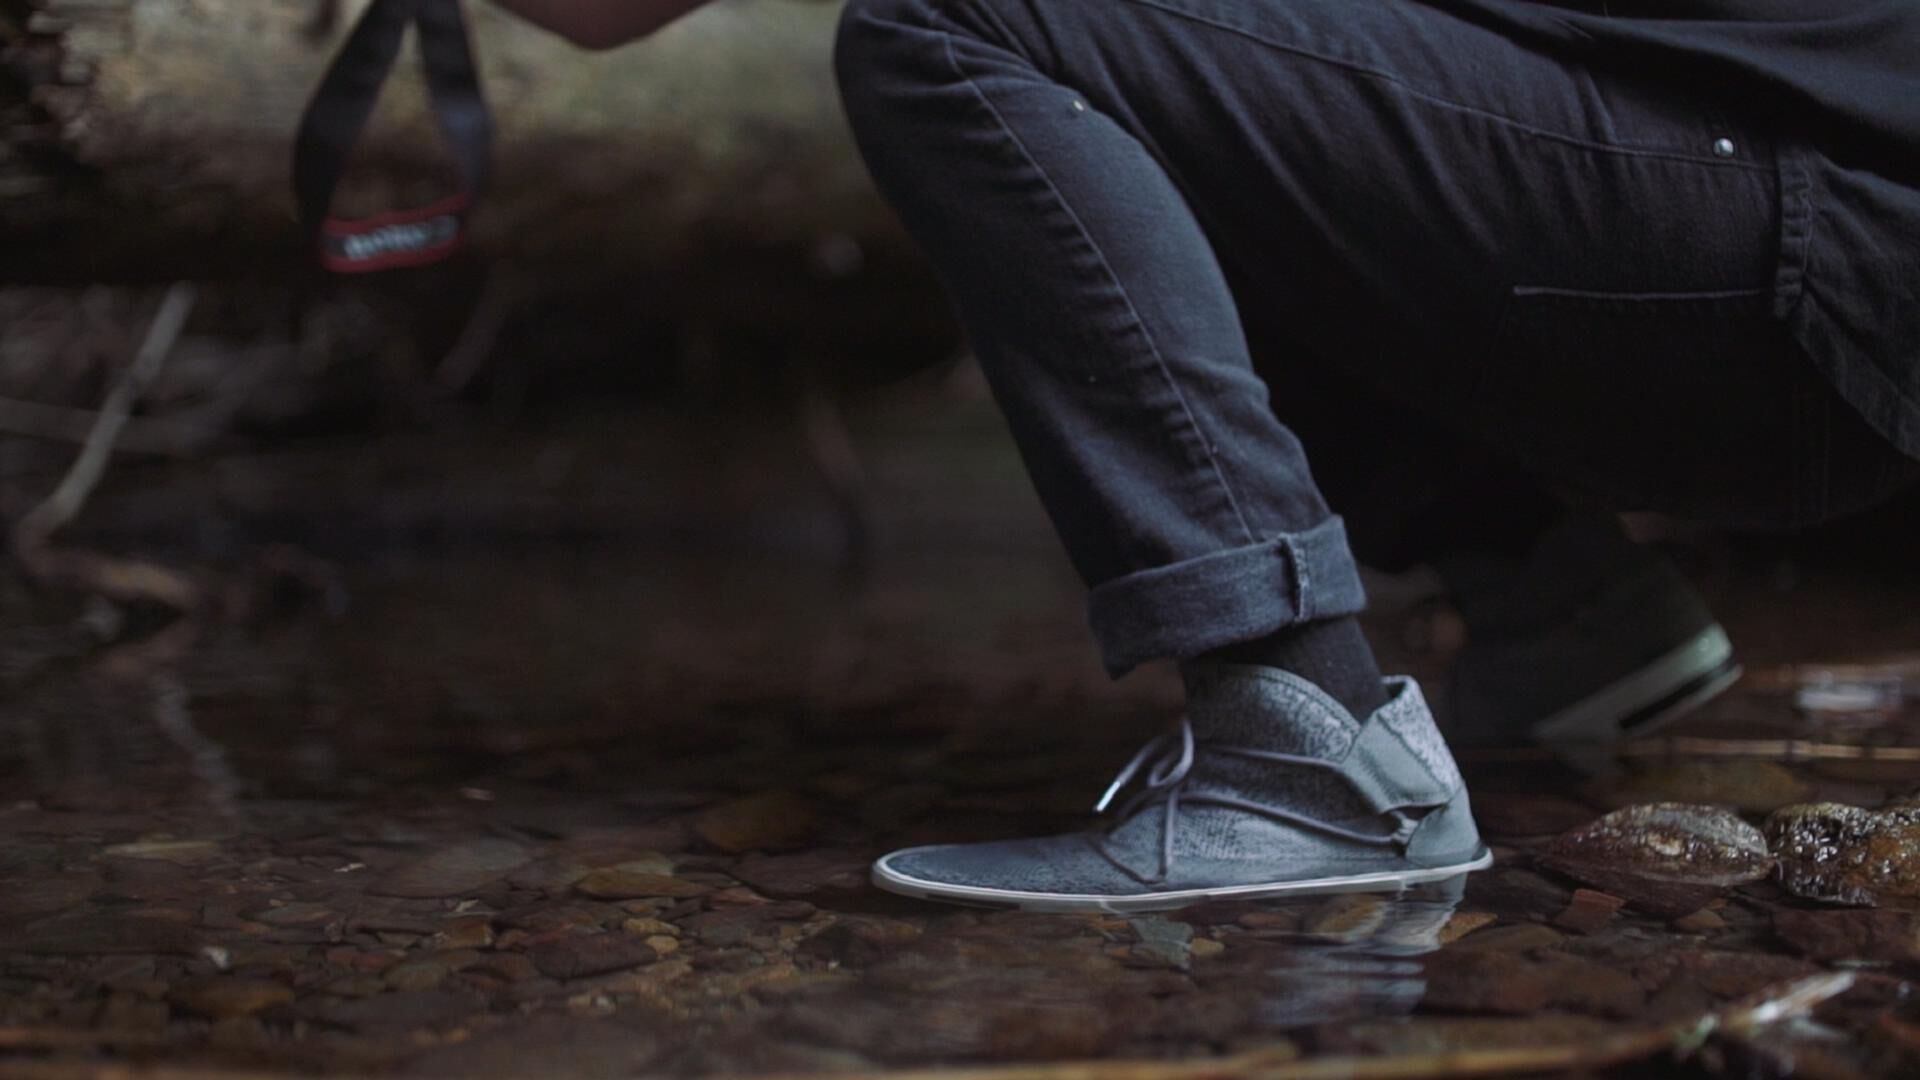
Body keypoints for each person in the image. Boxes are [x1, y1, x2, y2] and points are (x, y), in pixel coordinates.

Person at [491, 0, 1920, 912]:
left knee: (949, 25)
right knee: (1178, 63)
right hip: (1809, 261)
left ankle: (1305, 760)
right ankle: (1558, 607)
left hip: (1816, 252)